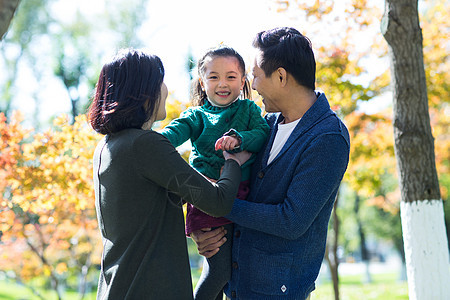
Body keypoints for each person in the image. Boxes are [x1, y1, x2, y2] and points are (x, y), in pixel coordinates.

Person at [191, 27, 350, 300]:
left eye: (254, 74)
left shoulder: (327, 137)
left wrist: (216, 203)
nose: (251, 85)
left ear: (280, 76)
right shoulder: (266, 124)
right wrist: (204, 229)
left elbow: (291, 220)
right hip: (238, 285)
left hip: (278, 292)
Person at [87, 48, 251, 300]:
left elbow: (155, 202)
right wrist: (233, 161)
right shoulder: (145, 145)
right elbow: (218, 201)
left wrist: (199, 228)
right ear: (143, 93)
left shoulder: (108, 146)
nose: (166, 89)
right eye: (160, 82)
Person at [160, 45, 270, 300]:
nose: (223, 83)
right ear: (202, 81)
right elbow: (172, 134)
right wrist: (151, 140)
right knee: (219, 271)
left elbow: (262, 134)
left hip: (241, 198)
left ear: (243, 81)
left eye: (231, 76)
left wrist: (240, 139)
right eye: (213, 77)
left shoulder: (249, 110)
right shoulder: (196, 116)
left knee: (231, 272)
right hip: (207, 199)